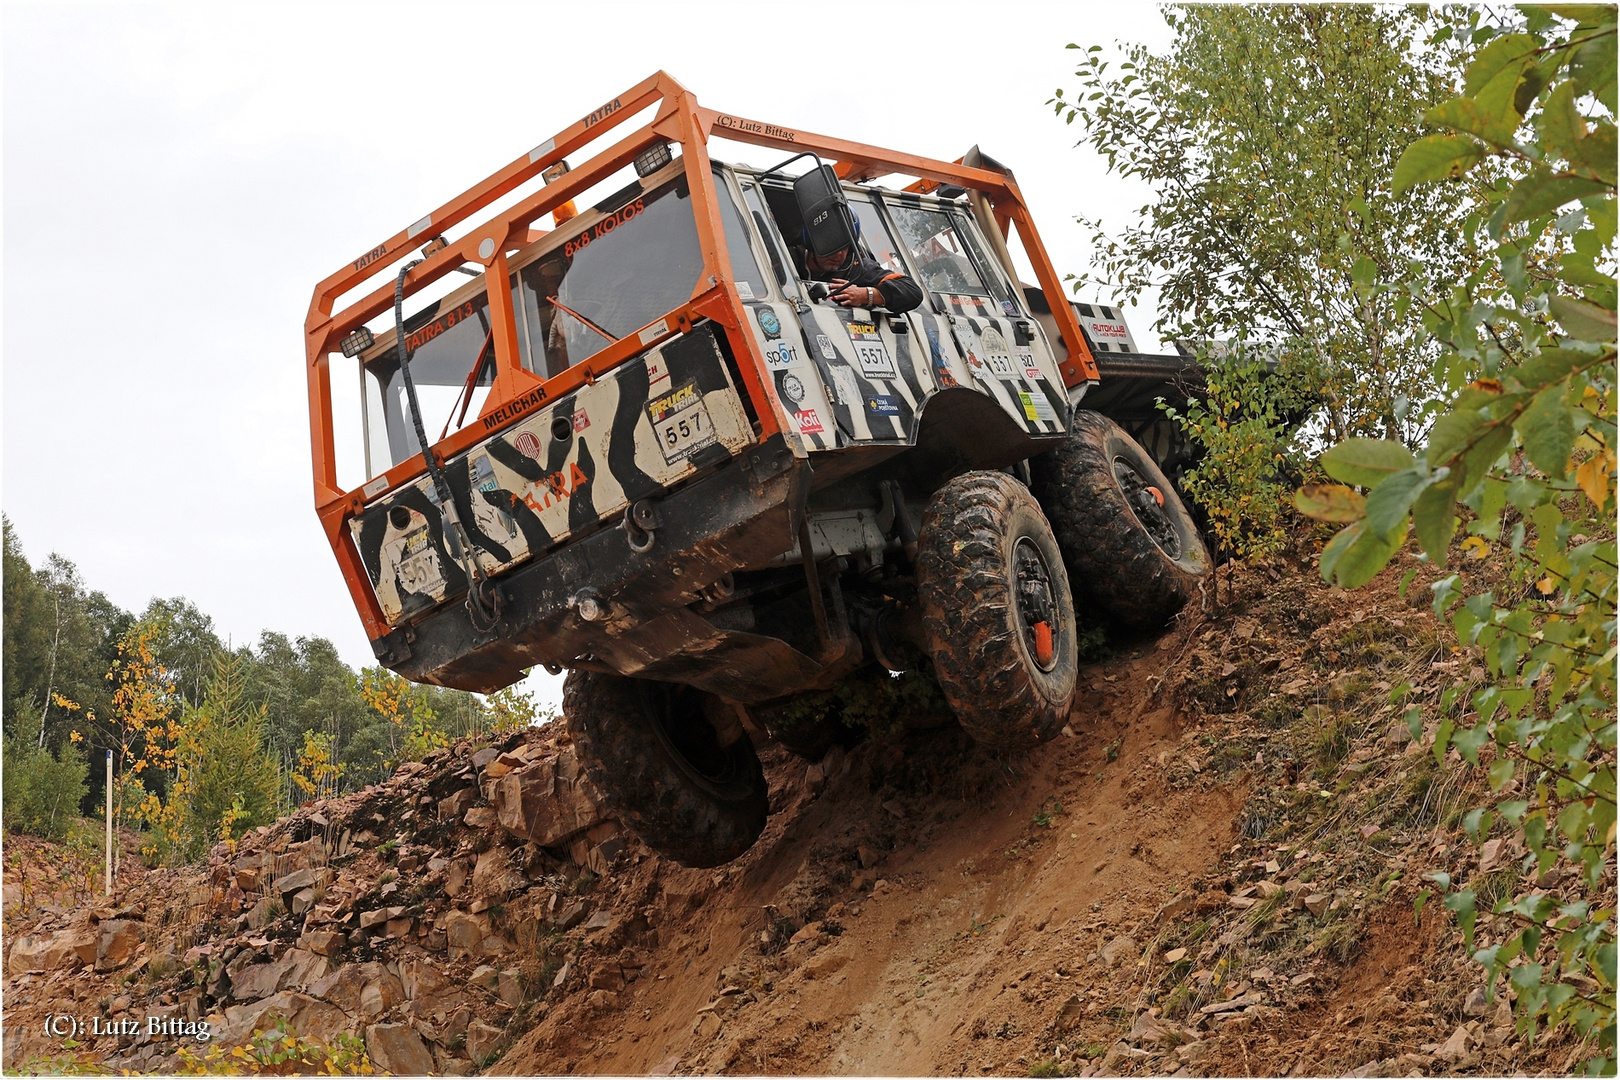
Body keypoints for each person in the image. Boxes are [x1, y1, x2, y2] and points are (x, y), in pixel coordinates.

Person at [801, 220, 924, 314]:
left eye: (845, 246)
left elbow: (912, 291)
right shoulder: (786, 261)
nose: (839, 254)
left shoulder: (857, 268)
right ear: (813, 243)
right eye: (832, 245)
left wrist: (865, 295)